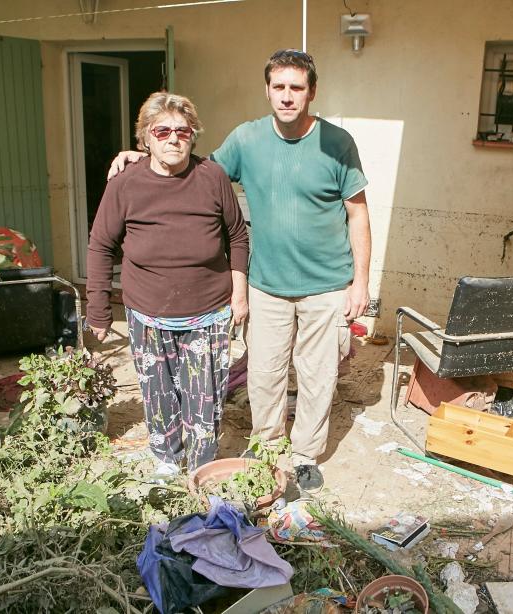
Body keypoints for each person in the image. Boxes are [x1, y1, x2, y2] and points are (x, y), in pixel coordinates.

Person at [109, 50, 371, 491]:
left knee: (316, 375)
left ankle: (305, 454)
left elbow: (358, 214)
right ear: (267, 89)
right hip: (266, 283)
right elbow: (195, 168)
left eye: (297, 88)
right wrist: (142, 155)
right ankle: (267, 446)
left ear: (312, 92)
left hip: (326, 285)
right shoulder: (247, 139)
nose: (287, 97)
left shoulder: (337, 142)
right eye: (279, 87)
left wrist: (360, 283)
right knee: (265, 374)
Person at [88, 92, 249, 477]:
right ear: (145, 138)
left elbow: (237, 235)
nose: (173, 138)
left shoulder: (212, 177)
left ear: (193, 135)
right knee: (158, 395)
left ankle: (201, 469)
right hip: (148, 312)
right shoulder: (125, 184)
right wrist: (97, 311)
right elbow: (100, 246)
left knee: (204, 399)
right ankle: (166, 462)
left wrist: (239, 292)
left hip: (208, 311)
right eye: (162, 130)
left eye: (183, 130)